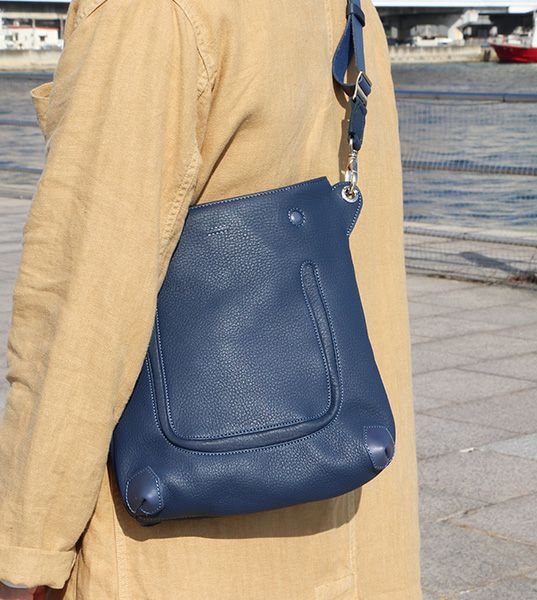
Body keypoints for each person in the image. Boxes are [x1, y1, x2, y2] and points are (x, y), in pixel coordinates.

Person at [0, 0, 421, 598]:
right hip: (351, 536)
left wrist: (27, 551)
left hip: (180, 560)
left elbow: (81, 309)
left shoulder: (151, 13)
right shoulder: (356, 9)